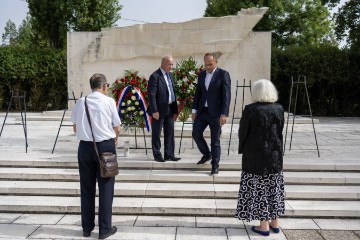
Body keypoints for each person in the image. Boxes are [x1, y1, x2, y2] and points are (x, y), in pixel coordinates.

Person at [70, 73, 120, 239]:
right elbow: (117, 127)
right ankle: (104, 229)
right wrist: (116, 139)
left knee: (86, 189)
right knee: (106, 188)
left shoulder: (81, 102)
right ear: (104, 85)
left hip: (84, 147)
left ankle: (87, 228)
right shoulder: (109, 101)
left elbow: (75, 128)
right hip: (105, 147)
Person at [235, 79, 285, 237]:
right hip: (275, 155)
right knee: (273, 186)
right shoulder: (279, 108)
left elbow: (243, 132)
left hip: (256, 155)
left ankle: (263, 226)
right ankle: (275, 223)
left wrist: (242, 147)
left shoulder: (250, 109)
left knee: (260, 187)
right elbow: (280, 130)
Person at [191, 52, 231, 175]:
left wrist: (224, 114)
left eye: (210, 64)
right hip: (203, 111)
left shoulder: (223, 74)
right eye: (206, 64)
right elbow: (198, 93)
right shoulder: (202, 75)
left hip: (216, 113)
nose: (208, 67)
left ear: (216, 63)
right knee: (196, 134)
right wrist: (194, 110)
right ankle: (207, 154)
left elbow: (226, 96)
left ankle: (215, 165)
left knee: (215, 141)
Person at [147, 55, 181, 162]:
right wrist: (154, 111)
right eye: (169, 64)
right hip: (159, 110)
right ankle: (157, 154)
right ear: (162, 64)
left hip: (170, 108)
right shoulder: (155, 76)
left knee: (170, 132)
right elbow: (151, 95)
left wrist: (175, 110)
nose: (171, 66)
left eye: (172, 64)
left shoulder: (170, 75)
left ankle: (169, 154)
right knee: (157, 133)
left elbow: (172, 92)